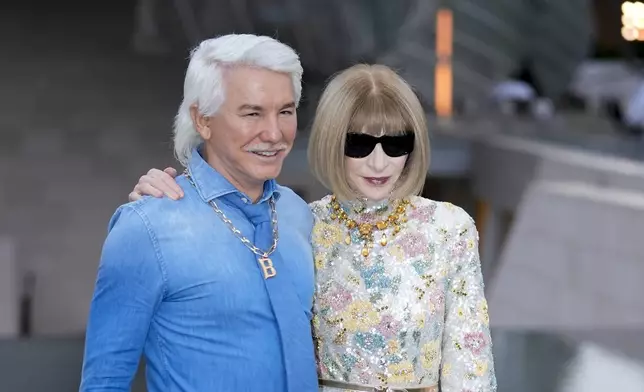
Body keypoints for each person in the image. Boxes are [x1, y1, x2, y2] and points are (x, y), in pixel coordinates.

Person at [131, 64, 497, 391]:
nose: (379, 161)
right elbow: (228, 297)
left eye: (396, 143)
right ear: (332, 141)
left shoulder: (448, 228)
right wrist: (162, 204)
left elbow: (470, 362)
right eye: (359, 144)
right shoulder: (296, 223)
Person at [80, 34, 319, 392]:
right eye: (252, 113)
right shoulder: (147, 227)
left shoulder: (299, 215)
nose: (274, 133)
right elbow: (104, 382)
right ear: (202, 120)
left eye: (285, 111)